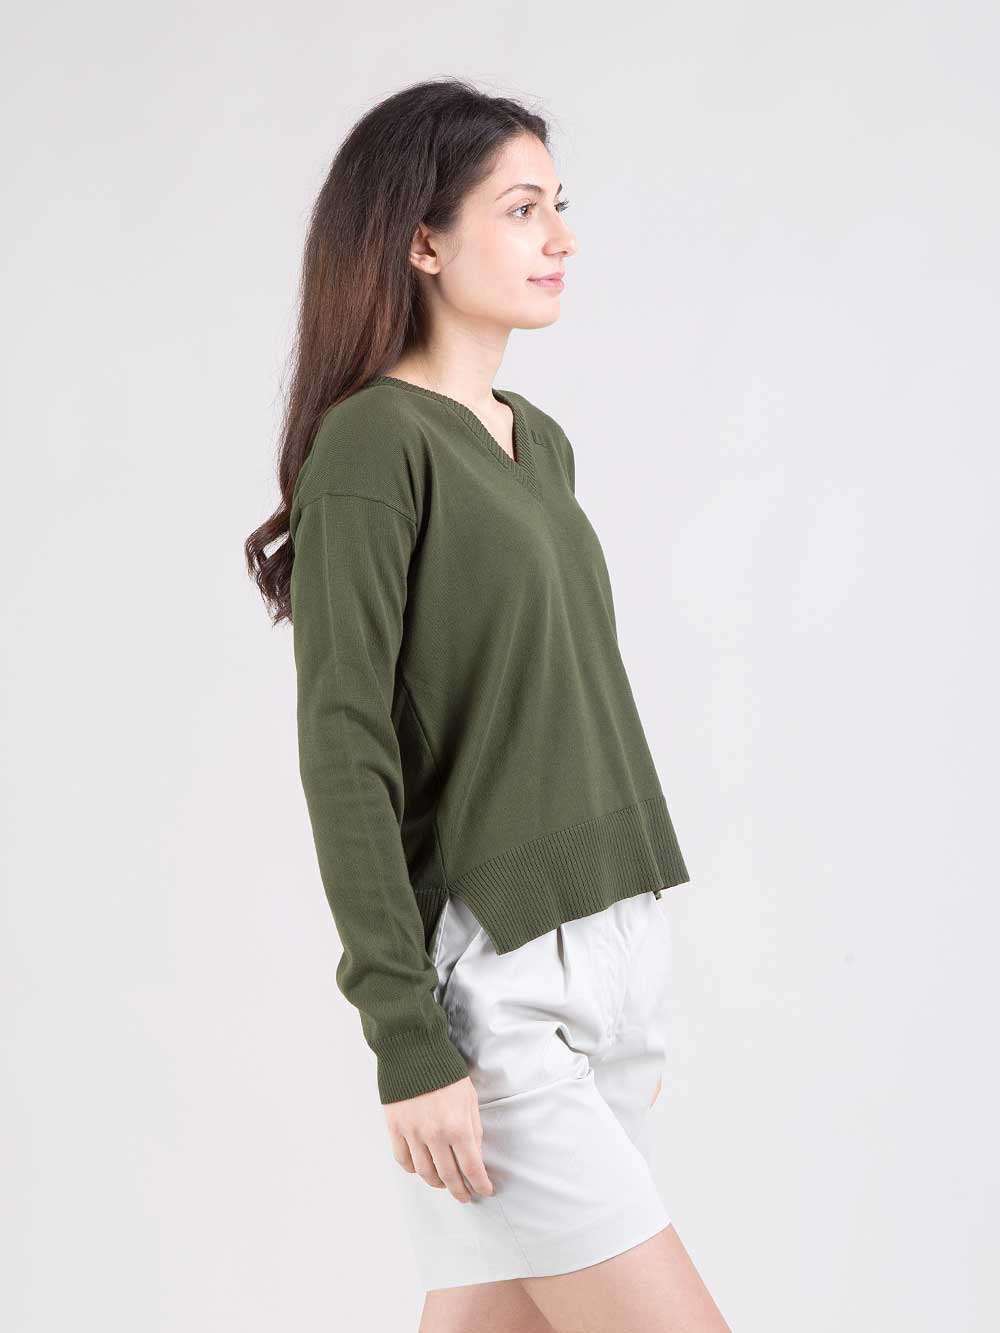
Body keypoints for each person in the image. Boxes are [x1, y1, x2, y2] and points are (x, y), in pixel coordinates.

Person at [245, 77, 730, 1333]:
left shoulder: (536, 439)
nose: (560, 237)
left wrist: (624, 972)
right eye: (521, 210)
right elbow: (344, 748)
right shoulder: (374, 445)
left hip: (611, 946)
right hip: (499, 976)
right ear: (422, 241)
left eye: (559, 205)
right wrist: (406, 1036)